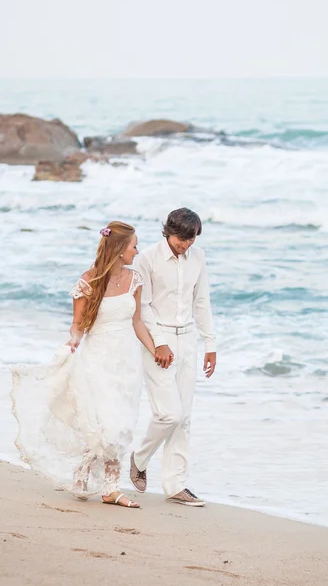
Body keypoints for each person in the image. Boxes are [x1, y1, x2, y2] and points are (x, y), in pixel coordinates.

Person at [11, 221, 157, 509]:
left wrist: (154, 350)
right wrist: (72, 344)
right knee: (105, 422)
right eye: (134, 246)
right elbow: (77, 325)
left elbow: (137, 321)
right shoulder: (88, 282)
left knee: (122, 422)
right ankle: (111, 488)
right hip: (97, 360)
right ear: (118, 249)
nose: (137, 251)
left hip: (127, 363)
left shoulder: (135, 280)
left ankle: (84, 472)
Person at [130, 208, 216, 507]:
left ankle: (176, 485)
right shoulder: (147, 259)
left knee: (185, 418)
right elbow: (145, 307)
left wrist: (210, 344)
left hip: (189, 339)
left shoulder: (198, 257)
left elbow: (202, 301)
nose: (186, 245)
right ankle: (139, 458)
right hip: (157, 341)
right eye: (182, 239)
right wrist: (160, 343)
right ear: (168, 231)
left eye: (191, 240)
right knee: (169, 414)